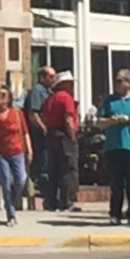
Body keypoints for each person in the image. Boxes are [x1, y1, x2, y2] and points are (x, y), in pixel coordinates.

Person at [98, 71, 130, 225]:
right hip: (113, 147)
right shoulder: (109, 101)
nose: (117, 84)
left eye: (120, 81)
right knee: (116, 183)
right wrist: (111, 121)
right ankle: (115, 214)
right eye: (116, 81)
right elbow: (99, 122)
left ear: (129, 83)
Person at [0, 85, 30, 226]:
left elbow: (25, 132)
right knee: (5, 183)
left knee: (21, 179)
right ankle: (11, 214)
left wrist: (29, 150)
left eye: (4, 95)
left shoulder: (17, 113)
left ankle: (12, 198)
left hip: (17, 151)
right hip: (0, 153)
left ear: (9, 98)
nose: (1, 98)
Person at [42, 71, 81, 211]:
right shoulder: (66, 98)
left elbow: (44, 117)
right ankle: (67, 201)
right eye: (70, 83)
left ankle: (52, 201)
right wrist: (72, 136)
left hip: (51, 134)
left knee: (53, 169)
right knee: (68, 168)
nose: (72, 86)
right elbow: (68, 119)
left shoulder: (49, 99)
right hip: (64, 134)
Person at [23, 65, 55, 209]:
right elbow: (33, 114)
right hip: (39, 137)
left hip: (49, 136)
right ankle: (45, 198)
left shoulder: (49, 92)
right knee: (43, 166)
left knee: (49, 165)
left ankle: (50, 197)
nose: (53, 79)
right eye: (50, 76)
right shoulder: (37, 91)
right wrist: (44, 129)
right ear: (42, 77)